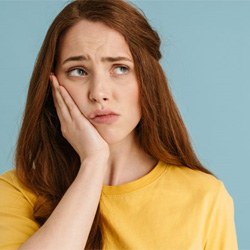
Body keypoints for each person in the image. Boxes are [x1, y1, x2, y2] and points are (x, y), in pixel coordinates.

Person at [0, 0, 238, 249]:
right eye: (78, 71)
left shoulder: (205, 197)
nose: (99, 93)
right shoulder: (16, 192)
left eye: (120, 68)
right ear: (52, 85)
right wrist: (93, 162)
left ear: (148, 80)